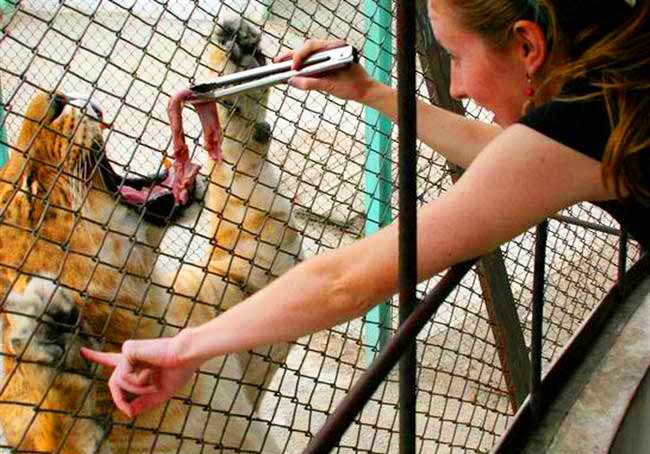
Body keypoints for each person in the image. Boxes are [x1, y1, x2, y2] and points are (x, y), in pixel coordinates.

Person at [82, 0, 649, 417]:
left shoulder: (585, 119)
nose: (456, 85)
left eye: (455, 57)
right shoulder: (612, 81)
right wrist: (369, 92)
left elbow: (344, 281)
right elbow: (505, 155)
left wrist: (186, 346)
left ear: (527, 46)